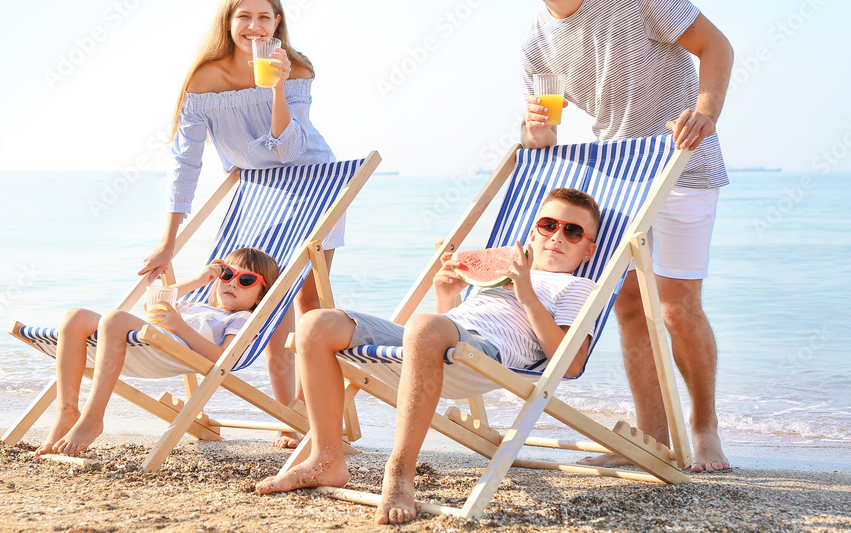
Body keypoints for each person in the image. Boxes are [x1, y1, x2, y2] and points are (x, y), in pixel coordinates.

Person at [492, 0, 733, 473]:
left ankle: (703, 426)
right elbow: (547, 141)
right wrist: (534, 131)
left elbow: (715, 46)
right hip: (617, 178)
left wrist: (707, 110)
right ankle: (652, 437)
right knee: (626, 305)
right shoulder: (535, 42)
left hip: (682, 162)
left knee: (676, 307)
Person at [256, 188, 600, 525]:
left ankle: (401, 472)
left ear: (588, 250)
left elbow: (570, 364)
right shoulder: (501, 275)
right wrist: (447, 295)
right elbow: (449, 328)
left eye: (572, 232)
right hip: (441, 338)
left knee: (421, 326)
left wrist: (526, 295)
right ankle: (326, 457)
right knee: (316, 324)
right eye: (548, 225)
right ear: (533, 232)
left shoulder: (577, 288)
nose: (557, 236)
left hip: (487, 355)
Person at [138, 0, 341, 448]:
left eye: (264, 17)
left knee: (307, 306)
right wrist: (168, 241)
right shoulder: (203, 80)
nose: (254, 26)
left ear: (278, 23)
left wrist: (275, 86)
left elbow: (289, 149)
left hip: (313, 183)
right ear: (228, 22)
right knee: (262, 303)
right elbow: (186, 162)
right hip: (257, 193)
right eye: (243, 16)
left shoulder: (298, 69)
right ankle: (277, 408)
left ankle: (302, 416)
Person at [36, 247, 279, 456]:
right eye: (227, 274)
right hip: (148, 342)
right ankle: (66, 412)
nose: (233, 282)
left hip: (169, 349)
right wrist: (199, 280)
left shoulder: (240, 318)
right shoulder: (194, 305)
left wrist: (180, 327)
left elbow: (223, 359)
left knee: (114, 319)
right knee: (73, 316)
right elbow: (150, 304)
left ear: (261, 295)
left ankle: (92, 417)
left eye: (247, 280)